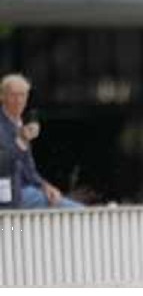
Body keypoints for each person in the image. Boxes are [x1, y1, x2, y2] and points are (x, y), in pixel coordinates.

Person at [0, 73, 82, 209]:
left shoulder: (19, 124)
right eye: (13, 95)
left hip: (25, 191)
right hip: (10, 195)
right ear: (2, 96)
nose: (19, 100)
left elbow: (29, 171)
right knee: (76, 212)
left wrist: (45, 186)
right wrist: (20, 142)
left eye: (22, 95)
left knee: (70, 208)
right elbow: (2, 166)